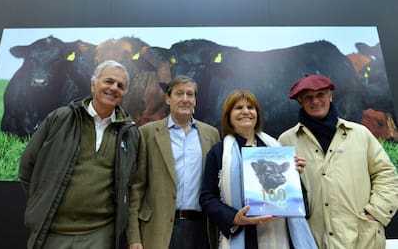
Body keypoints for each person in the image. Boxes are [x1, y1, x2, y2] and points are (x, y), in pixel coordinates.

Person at [18, 60, 141, 249]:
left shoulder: (130, 132)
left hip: (100, 234)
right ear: (93, 85)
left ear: (124, 93)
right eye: (108, 81)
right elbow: (27, 167)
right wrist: (42, 201)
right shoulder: (61, 118)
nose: (114, 88)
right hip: (52, 231)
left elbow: (131, 184)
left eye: (120, 86)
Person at [278, 74, 398, 249]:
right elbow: (279, 191)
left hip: (363, 239)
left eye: (320, 95)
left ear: (330, 96)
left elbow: (386, 174)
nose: (315, 101)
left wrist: (376, 213)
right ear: (300, 102)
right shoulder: (286, 141)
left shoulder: (360, 134)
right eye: (308, 97)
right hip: (313, 241)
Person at [200, 89, 317, 249]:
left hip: (276, 235)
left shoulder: (277, 150)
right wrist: (234, 217)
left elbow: (300, 201)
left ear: (257, 114)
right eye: (238, 108)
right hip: (240, 235)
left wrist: (293, 175)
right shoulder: (219, 153)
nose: (246, 111)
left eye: (250, 107)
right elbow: (207, 198)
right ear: (228, 116)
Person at [126, 75, 221, 249]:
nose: (185, 99)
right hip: (158, 229)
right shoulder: (147, 133)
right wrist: (133, 237)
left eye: (190, 94)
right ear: (168, 99)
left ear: (195, 101)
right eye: (179, 94)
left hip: (200, 230)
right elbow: (136, 187)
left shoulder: (211, 134)